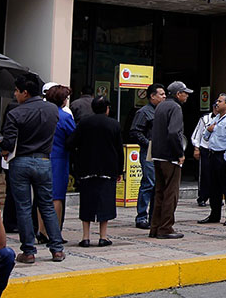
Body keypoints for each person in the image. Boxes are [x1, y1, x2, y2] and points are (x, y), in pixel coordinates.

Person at [0, 73, 65, 264]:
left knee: (23, 206)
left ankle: (28, 250)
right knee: (46, 205)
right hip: (44, 160)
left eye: (17, 91)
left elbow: (8, 142)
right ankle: (57, 249)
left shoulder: (15, 112)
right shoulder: (52, 110)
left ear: (25, 93)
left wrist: (3, 149)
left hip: (21, 161)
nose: (15, 94)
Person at [67, 95, 123, 247]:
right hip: (108, 169)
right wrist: (120, 170)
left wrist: (77, 159)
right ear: (107, 109)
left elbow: (71, 143)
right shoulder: (114, 124)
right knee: (105, 202)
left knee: (87, 202)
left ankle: (85, 237)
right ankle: (103, 237)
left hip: (87, 168)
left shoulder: (84, 123)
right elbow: (119, 149)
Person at [149, 81, 191, 239]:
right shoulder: (175, 107)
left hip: (158, 154)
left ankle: (155, 226)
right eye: (184, 93)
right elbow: (174, 133)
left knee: (159, 192)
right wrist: (179, 153)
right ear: (178, 94)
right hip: (170, 156)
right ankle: (166, 228)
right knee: (171, 193)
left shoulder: (161, 106)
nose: (186, 95)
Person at [197, 94, 226, 226]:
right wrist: (209, 130)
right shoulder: (216, 118)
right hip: (213, 153)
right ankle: (214, 214)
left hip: (224, 155)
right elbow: (205, 136)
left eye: (220, 101)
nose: (217, 103)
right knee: (213, 186)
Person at [130, 83, 165, 230]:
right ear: (152, 96)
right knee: (148, 183)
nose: (164, 97)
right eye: (161, 94)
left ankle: (154, 216)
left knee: (158, 184)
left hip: (161, 153)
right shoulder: (144, 112)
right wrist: (149, 144)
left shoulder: (162, 111)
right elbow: (135, 132)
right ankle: (141, 216)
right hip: (148, 152)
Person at [45, 85, 75, 236]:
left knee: (42, 196)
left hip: (41, 156)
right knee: (56, 196)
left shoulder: (41, 113)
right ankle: (55, 232)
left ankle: (41, 231)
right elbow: (73, 136)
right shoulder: (64, 117)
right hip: (59, 158)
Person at [190, 105, 216, 208]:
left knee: (217, 175)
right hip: (206, 149)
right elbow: (198, 134)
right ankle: (202, 197)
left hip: (218, 150)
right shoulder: (205, 119)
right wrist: (196, 148)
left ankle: (216, 196)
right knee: (204, 174)